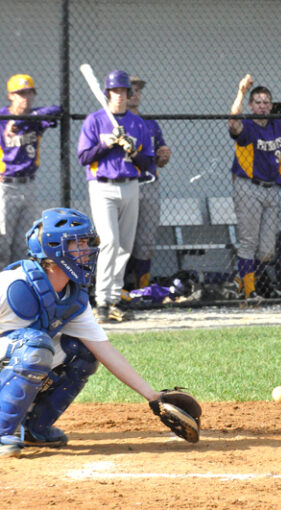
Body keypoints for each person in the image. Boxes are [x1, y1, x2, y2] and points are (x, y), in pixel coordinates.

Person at [0, 208, 175, 458]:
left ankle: (35, 429)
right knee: (34, 346)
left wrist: (153, 396)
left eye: (86, 242)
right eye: (78, 243)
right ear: (53, 248)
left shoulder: (72, 296)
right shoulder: (12, 284)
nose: (87, 250)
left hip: (12, 357)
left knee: (82, 352)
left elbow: (104, 350)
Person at [77, 69, 154, 323]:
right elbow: (84, 158)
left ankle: (113, 300)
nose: (119, 96)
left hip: (131, 184)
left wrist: (132, 151)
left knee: (124, 246)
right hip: (102, 186)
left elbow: (148, 163)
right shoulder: (95, 120)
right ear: (107, 94)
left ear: (128, 94)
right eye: (115, 92)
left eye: (123, 92)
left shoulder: (137, 123)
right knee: (109, 241)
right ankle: (100, 301)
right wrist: (106, 144)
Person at [228, 74, 281, 299]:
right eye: (258, 102)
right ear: (251, 106)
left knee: (267, 251)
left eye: (266, 102)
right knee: (248, 242)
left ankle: (240, 280)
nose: (262, 106)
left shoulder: (278, 125)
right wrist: (241, 92)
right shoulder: (249, 127)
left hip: (273, 190)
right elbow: (233, 124)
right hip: (249, 187)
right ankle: (249, 292)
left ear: (271, 106)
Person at [0, 74, 62, 268]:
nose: (25, 98)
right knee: (3, 243)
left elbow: (57, 110)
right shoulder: (2, 118)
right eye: (20, 94)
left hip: (29, 185)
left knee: (24, 241)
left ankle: (18, 287)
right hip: (5, 186)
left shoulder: (36, 118)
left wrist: (23, 120)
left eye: (29, 93)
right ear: (10, 96)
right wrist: (12, 121)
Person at [124, 75, 172, 291]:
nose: (135, 95)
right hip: (126, 184)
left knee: (145, 242)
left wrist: (164, 155)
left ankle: (141, 288)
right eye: (131, 90)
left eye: (138, 91)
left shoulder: (150, 124)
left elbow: (160, 160)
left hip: (150, 184)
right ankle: (119, 290)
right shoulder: (113, 122)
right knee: (123, 241)